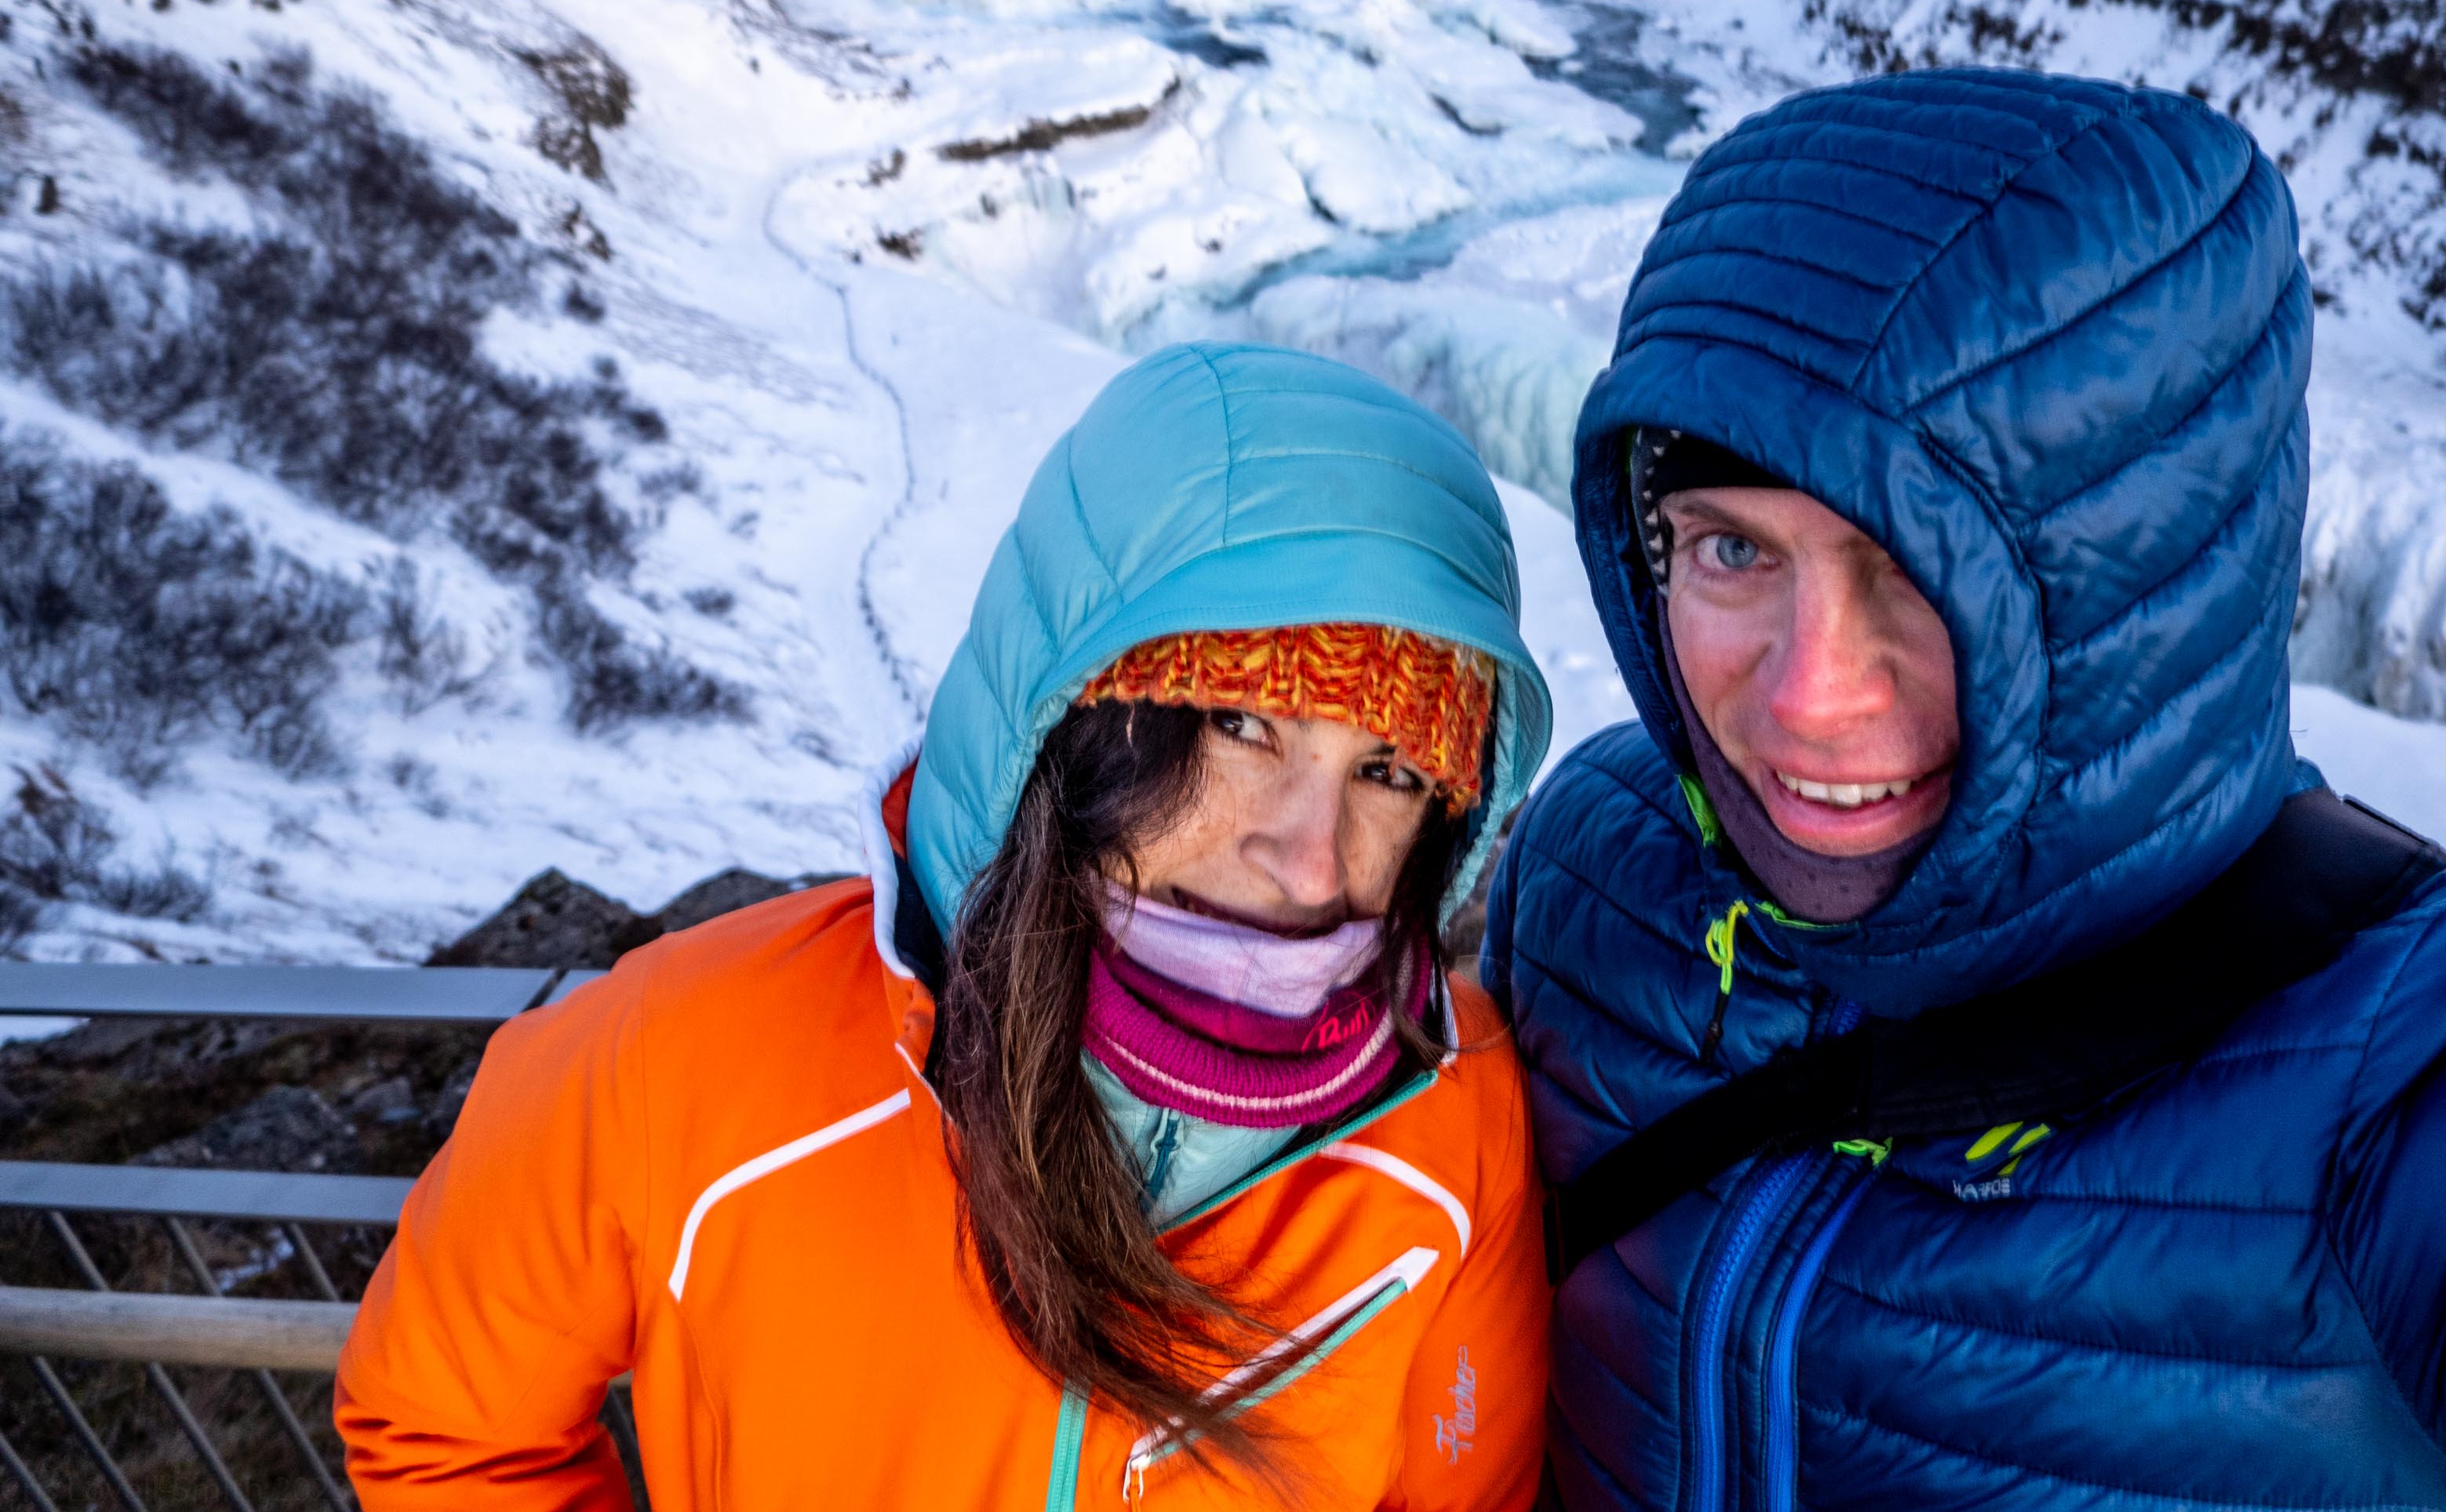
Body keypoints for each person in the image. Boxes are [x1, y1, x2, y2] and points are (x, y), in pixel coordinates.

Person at [1486, 69, 2446, 1510]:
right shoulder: (1595, 869)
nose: (1809, 696)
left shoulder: (2409, 1068)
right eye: (1733, 549)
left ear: (2148, 591)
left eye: (1918, 568)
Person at [337, 343, 1558, 1510]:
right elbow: (446, 1420)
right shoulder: (688, 1061)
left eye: (1391, 772)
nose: (1308, 856)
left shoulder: (1458, 1126)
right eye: (1241, 726)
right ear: (1070, 720)